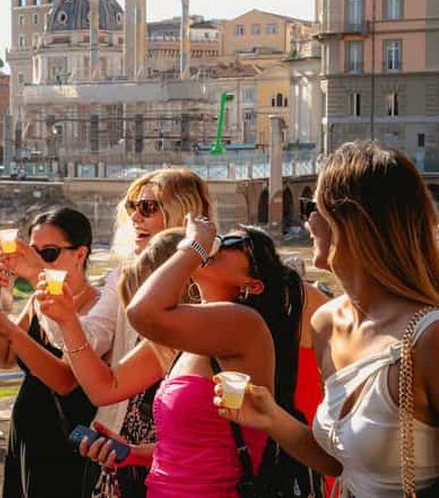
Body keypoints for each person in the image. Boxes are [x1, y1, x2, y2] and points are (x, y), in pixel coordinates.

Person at [216, 141, 439, 497]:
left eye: (314, 208)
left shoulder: (429, 338)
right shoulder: (326, 323)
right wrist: (270, 416)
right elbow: (339, 462)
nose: (308, 220)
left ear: (353, 223)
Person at [117, 217, 304, 497]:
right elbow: (197, 447)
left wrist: (194, 247)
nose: (222, 244)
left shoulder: (245, 325)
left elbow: (142, 313)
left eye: (236, 242)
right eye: (223, 238)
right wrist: (132, 452)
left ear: (252, 285)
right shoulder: (197, 335)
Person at [40, 228, 190, 498]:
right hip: (152, 476)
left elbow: (216, 445)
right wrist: (68, 321)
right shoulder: (166, 342)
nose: (140, 316)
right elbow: (105, 389)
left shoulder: (229, 337)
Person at [0, 207, 100, 498]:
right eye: (33, 252)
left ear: (80, 254)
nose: (37, 261)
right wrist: (1, 296)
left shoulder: (96, 308)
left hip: (66, 436)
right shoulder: (35, 302)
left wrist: (9, 328)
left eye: (49, 253)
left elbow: (66, 381)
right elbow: (4, 358)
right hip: (27, 427)